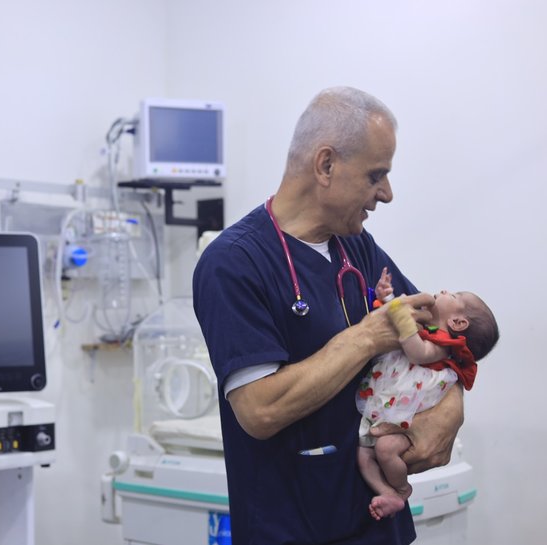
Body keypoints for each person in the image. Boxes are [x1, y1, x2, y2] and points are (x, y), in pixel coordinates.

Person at [192, 86, 464, 545]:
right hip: (295, 527)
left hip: (379, 525)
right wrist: (367, 337)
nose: (387, 194)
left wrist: (451, 410)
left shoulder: (356, 246)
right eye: (376, 175)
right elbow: (259, 410)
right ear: (326, 165)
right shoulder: (234, 263)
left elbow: (438, 342)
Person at [357, 271, 499, 521]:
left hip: (403, 420)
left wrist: (399, 310)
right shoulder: (425, 327)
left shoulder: (441, 347)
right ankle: (386, 492)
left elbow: (415, 352)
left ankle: (401, 490)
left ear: (458, 323)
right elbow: (400, 316)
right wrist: (388, 297)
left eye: (453, 295)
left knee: (386, 448)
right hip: (384, 408)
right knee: (364, 456)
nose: (444, 291)